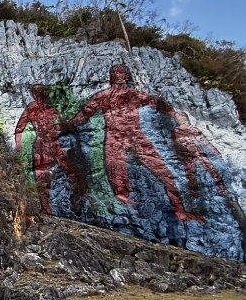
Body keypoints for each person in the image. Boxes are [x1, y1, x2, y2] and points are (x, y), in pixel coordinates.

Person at [69, 65, 201, 222]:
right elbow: (83, 115)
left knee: (163, 170)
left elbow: (157, 103)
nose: (118, 76)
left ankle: (179, 209)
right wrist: (65, 126)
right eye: (115, 73)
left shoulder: (135, 94)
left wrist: (175, 115)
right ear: (111, 77)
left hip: (135, 135)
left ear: (126, 76)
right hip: (115, 137)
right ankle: (123, 202)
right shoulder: (103, 96)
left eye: (121, 73)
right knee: (117, 173)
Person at [14, 84, 87, 214]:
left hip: (54, 143)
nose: (40, 95)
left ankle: (81, 196)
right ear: (34, 94)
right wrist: (18, 145)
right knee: (42, 176)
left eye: (41, 92)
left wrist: (62, 127)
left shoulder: (51, 108)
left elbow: (65, 125)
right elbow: (19, 128)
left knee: (69, 170)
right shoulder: (32, 108)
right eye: (37, 93)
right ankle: (46, 207)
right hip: (42, 145)